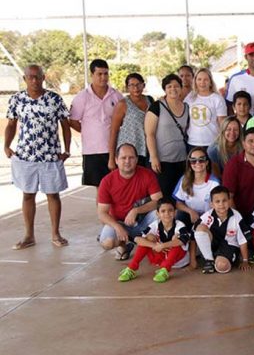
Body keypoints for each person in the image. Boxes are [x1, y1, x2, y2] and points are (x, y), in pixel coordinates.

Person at [5, 65, 72, 250]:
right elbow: (11, 124)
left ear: (43, 78)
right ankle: (29, 235)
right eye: (30, 77)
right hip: (25, 156)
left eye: (38, 77)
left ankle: (55, 234)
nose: (34, 80)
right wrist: (6, 146)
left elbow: (65, 125)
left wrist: (66, 150)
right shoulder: (17, 99)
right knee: (28, 195)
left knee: (53, 194)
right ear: (24, 78)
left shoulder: (54, 99)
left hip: (50, 155)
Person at [97, 143, 163, 260]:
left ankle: (155, 248)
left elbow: (159, 201)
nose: (127, 161)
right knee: (107, 242)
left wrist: (136, 210)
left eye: (131, 157)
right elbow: (102, 213)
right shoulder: (107, 181)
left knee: (162, 214)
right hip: (120, 223)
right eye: (123, 158)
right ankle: (125, 244)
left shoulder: (147, 174)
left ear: (137, 159)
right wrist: (117, 227)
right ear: (116, 160)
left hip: (143, 220)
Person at [70, 59, 124, 188]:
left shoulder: (116, 95)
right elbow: (72, 121)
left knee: (118, 186)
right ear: (92, 75)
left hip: (115, 149)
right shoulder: (82, 97)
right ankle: (102, 210)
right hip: (92, 151)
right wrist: (90, 132)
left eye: (106, 74)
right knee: (100, 188)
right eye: (99, 74)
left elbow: (123, 119)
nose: (103, 77)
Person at [117, 198, 190, 283]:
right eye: (163, 211)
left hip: (177, 261)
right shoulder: (155, 224)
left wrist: (163, 245)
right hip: (160, 258)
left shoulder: (179, 225)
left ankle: (165, 270)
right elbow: (137, 238)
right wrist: (154, 245)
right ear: (157, 213)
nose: (167, 213)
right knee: (148, 238)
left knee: (176, 240)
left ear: (175, 212)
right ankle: (132, 268)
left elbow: (183, 240)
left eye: (170, 210)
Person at [145, 74, 189, 198]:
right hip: (162, 161)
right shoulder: (157, 106)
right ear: (165, 89)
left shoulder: (186, 107)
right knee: (163, 197)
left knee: (179, 195)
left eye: (176, 86)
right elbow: (150, 134)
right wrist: (153, 157)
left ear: (181, 88)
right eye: (169, 86)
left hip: (181, 160)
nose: (173, 89)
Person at [194, 185, 251, 274]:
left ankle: (218, 261)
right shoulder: (207, 216)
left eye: (224, 201)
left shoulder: (237, 217)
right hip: (212, 246)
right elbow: (194, 235)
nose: (221, 204)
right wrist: (192, 260)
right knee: (200, 228)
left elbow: (242, 241)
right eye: (217, 201)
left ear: (229, 201)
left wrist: (245, 261)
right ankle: (209, 260)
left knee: (222, 266)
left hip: (229, 247)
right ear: (211, 204)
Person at [108, 73, 152, 169]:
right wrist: (111, 158)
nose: (135, 88)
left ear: (143, 85)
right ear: (127, 87)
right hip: (129, 151)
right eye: (131, 85)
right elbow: (114, 131)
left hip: (148, 150)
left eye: (138, 84)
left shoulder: (150, 100)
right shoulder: (123, 104)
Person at [173, 147, 220, 225]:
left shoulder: (214, 183)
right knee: (179, 214)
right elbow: (178, 203)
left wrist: (204, 218)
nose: (197, 163)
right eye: (193, 161)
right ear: (190, 163)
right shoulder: (184, 179)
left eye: (201, 160)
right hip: (189, 215)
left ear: (207, 162)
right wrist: (191, 211)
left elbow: (218, 206)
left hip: (209, 217)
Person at [185, 68, 227, 148]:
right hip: (193, 142)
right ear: (195, 81)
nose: (202, 83)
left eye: (206, 80)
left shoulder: (217, 99)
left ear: (210, 82)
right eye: (199, 79)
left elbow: (222, 123)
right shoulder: (190, 97)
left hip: (213, 142)